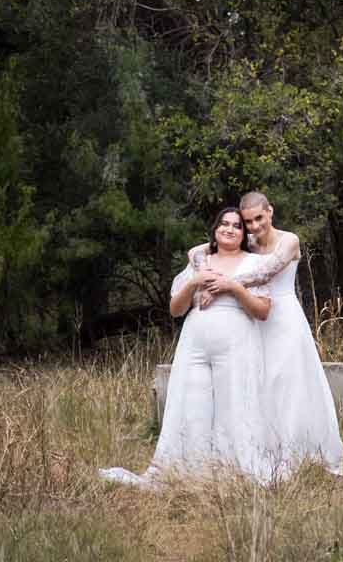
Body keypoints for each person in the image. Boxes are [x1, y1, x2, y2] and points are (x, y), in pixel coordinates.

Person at [100, 206, 275, 486]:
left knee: (233, 403)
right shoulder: (199, 263)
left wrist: (234, 287)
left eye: (237, 226)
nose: (229, 229)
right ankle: (193, 470)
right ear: (215, 230)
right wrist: (194, 282)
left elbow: (263, 311)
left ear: (244, 234)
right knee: (192, 403)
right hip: (194, 343)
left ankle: (234, 471)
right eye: (223, 224)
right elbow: (175, 310)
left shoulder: (253, 265)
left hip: (236, 343)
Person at [184, 190, 343, 477]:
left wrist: (220, 284)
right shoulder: (251, 243)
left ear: (270, 211)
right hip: (253, 319)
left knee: (287, 384)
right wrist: (205, 277)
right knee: (260, 385)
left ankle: (296, 455)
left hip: (284, 319)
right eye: (248, 222)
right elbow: (195, 252)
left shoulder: (289, 240)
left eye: (259, 218)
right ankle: (264, 452)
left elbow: (265, 273)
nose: (255, 226)